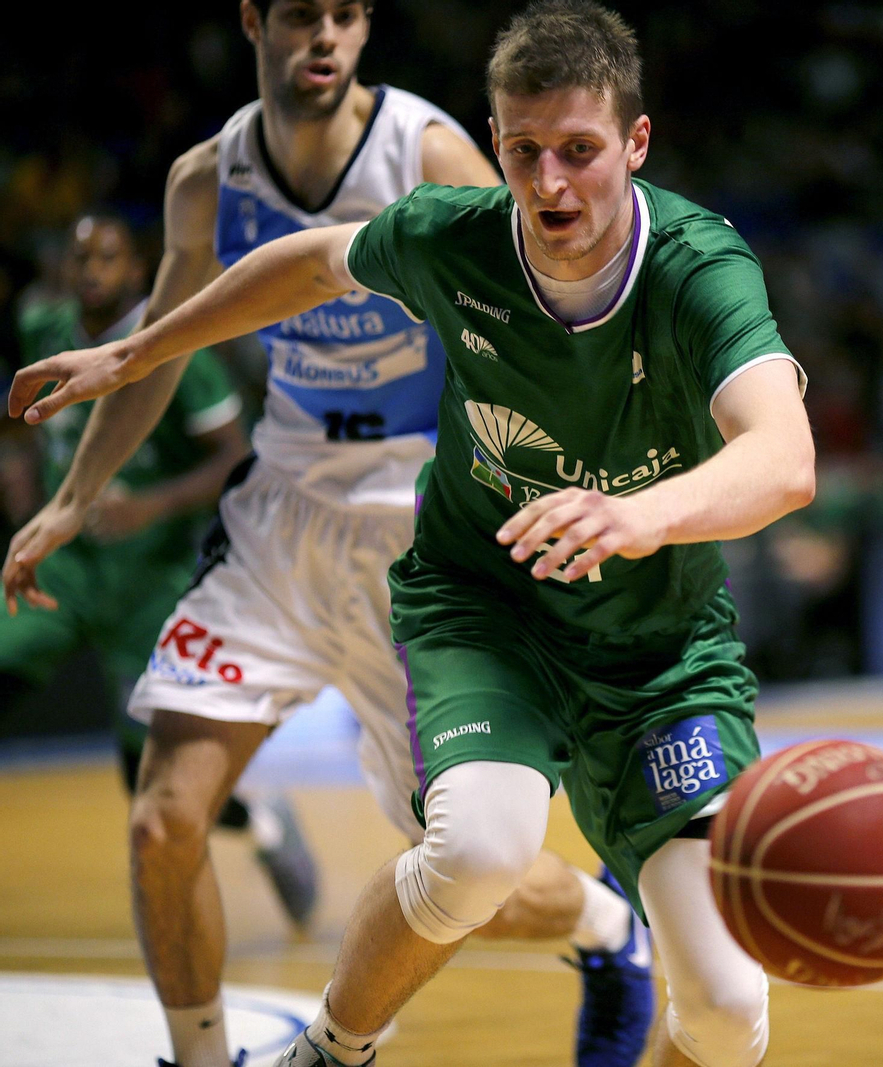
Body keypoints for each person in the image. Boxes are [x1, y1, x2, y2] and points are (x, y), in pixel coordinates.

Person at [10, 3, 814, 1063]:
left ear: (636, 141)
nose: (549, 185)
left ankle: (608, 932)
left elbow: (785, 458)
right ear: (497, 140)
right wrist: (134, 353)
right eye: (523, 153)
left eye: (579, 151)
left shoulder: (697, 267)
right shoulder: (448, 233)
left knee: (724, 1008)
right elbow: (306, 264)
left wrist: (636, 513)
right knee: (467, 848)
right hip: (480, 603)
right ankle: (328, 1048)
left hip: (653, 646)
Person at [0, 210, 320, 926]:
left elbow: (235, 456)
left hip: (153, 579)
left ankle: (263, 818)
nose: (90, 271)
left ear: (138, 272)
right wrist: (19, 470)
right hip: (69, 565)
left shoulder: (180, 350)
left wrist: (146, 506)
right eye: (79, 258)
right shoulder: (42, 330)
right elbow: (18, 422)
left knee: (143, 774)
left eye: (107, 257)